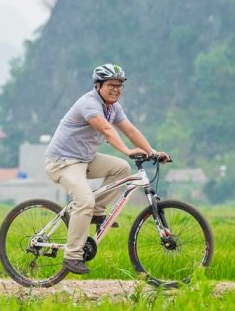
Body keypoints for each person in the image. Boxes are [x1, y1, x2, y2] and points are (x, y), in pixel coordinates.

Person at [44, 63, 169, 275]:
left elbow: (129, 129)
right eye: (111, 85)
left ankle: (96, 212)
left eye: (120, 86)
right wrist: (128, 150)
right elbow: (107, 130)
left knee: (121, 168)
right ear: (98, 85)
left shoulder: (113, 108)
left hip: (85, 159)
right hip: (62, 161)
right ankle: (72, 256)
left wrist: (152, 151)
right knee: (84, 200)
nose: (116, 89)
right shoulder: (89, 104)